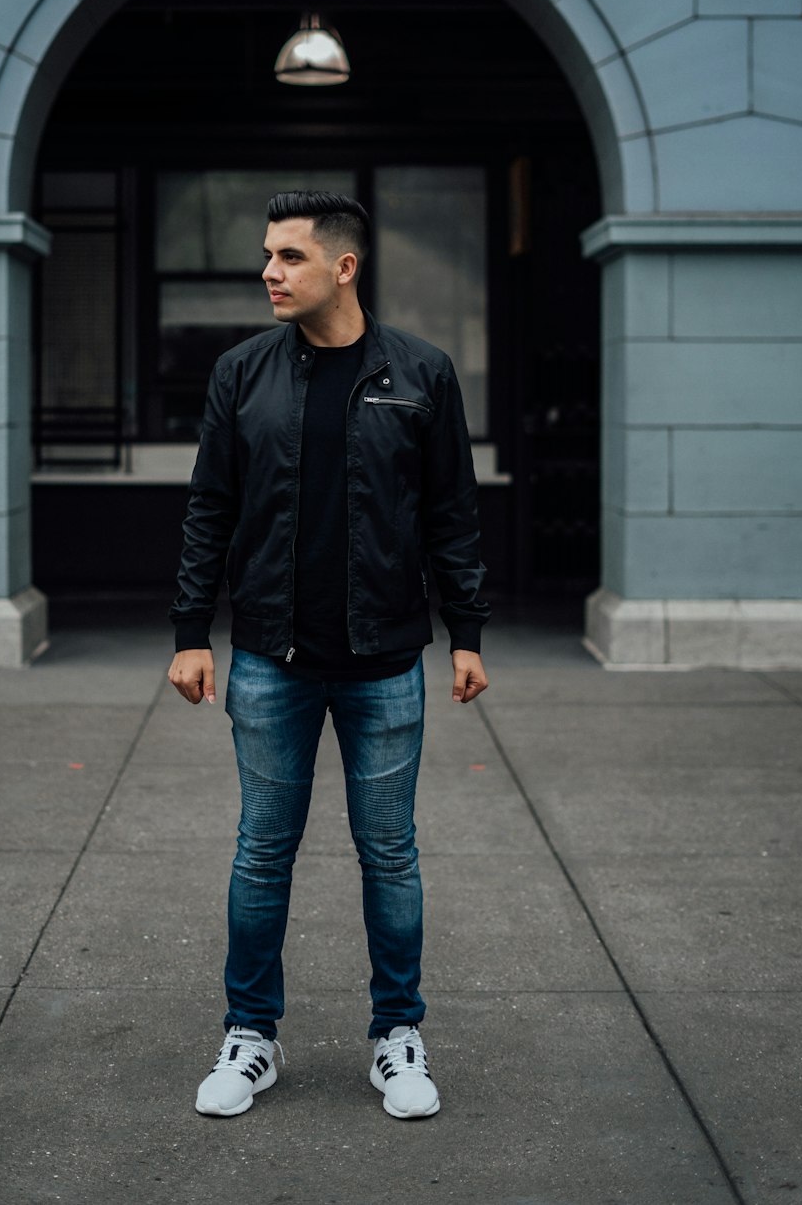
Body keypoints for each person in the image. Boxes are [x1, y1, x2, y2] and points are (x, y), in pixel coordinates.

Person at [168, 189, 490, 1120]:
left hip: (386, 659)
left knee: (388, 852)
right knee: (263, 852)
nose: (269, 271)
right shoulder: (241, 373)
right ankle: (250, 1037)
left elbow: (451, 515)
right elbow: (208, 509)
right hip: (272, 654)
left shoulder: (420, 374)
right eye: (267, 256)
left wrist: (466, 633)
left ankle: (397, 1036)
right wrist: (193, 631)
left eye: (289, 257)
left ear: (343, 268)